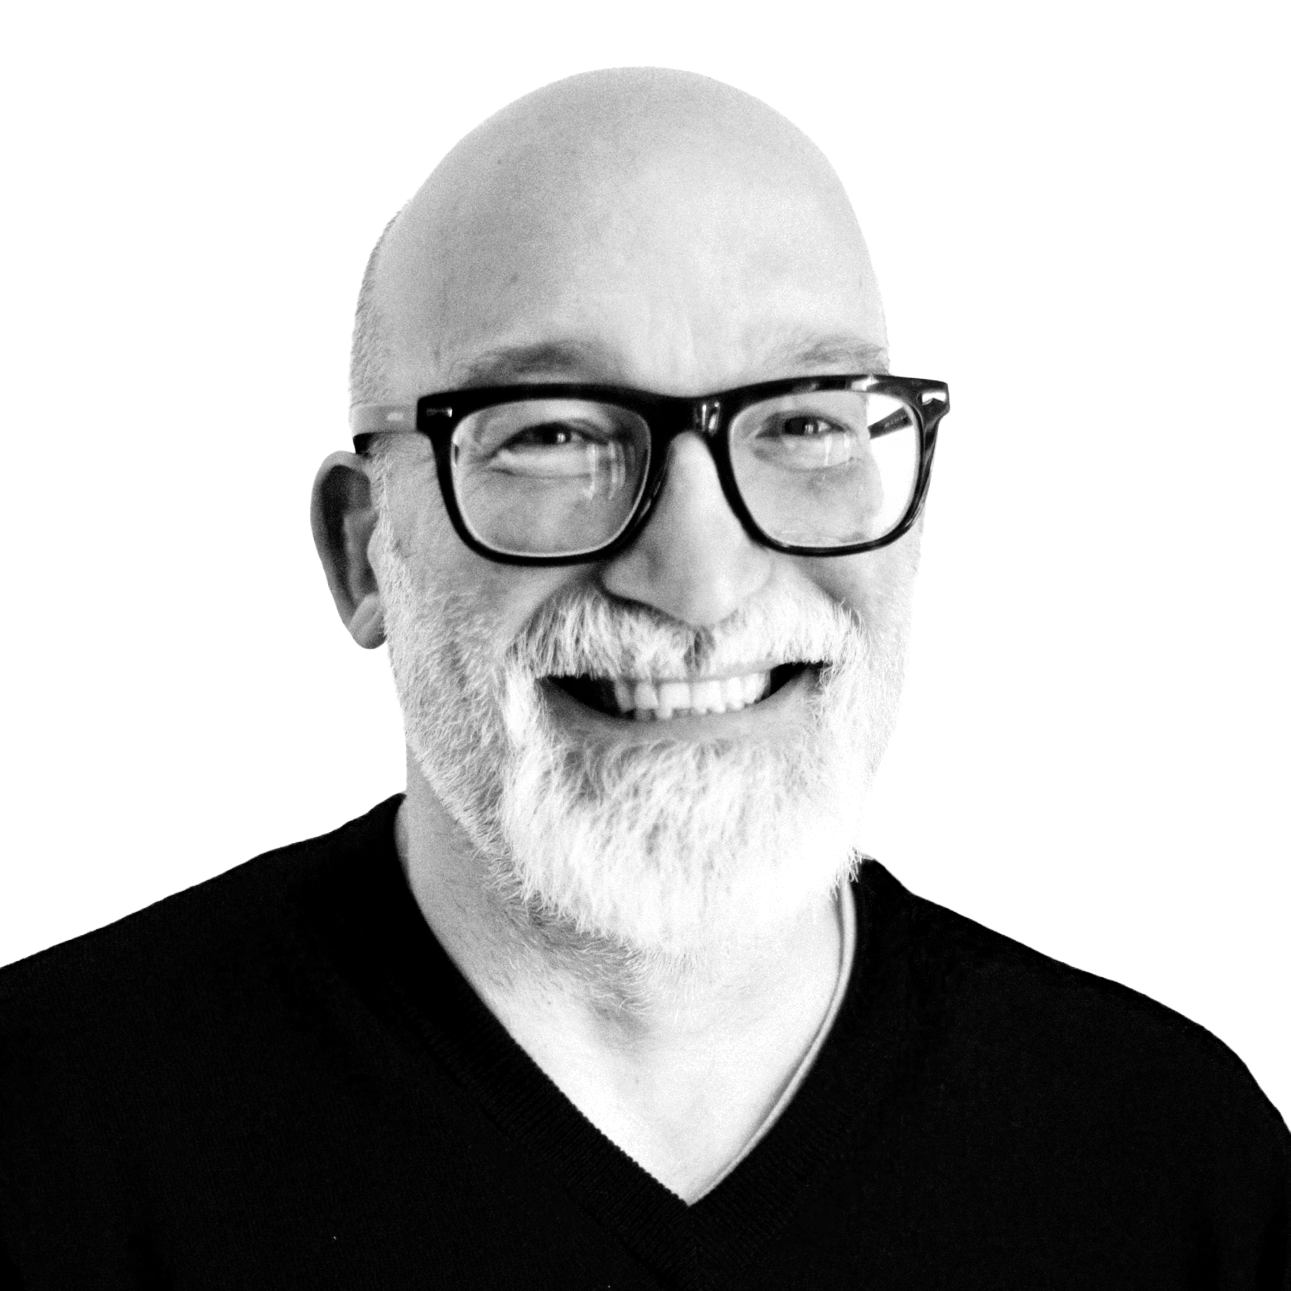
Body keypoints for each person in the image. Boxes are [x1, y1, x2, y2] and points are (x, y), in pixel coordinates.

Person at [2, 66, 1286, 1289]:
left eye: (803, 422)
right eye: (556, 433)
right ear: (359, 552)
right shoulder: (46, 1138)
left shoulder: (1172, 1164)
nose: (701, 578)